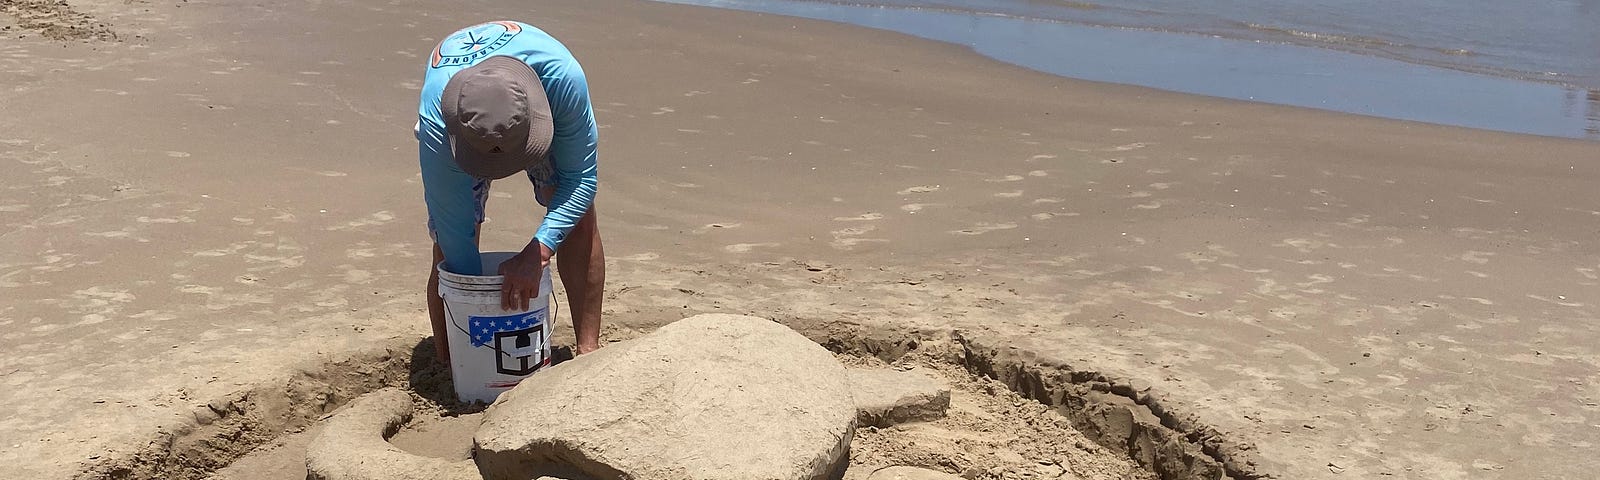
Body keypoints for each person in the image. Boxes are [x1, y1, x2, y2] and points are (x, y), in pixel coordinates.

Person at [416, 20, 604, 363]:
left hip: (539, 98)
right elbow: (453, 234)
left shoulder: (563, 80)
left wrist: (540, 250)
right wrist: (478, 312)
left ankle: (588, 353)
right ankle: (453, 365)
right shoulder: (437, 123)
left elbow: (581, 179)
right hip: (462, 127)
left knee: (578, 217)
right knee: (449, 251)